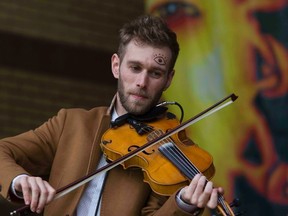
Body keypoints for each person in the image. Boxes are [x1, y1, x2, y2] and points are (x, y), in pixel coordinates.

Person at [0, 14, 223, 216]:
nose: (142, 82)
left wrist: (183, 204)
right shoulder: (71, 123)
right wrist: (22, 180)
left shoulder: (169, 151)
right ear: (116, 66)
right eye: (135, 68)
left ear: (168, 80)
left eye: (155, 73)